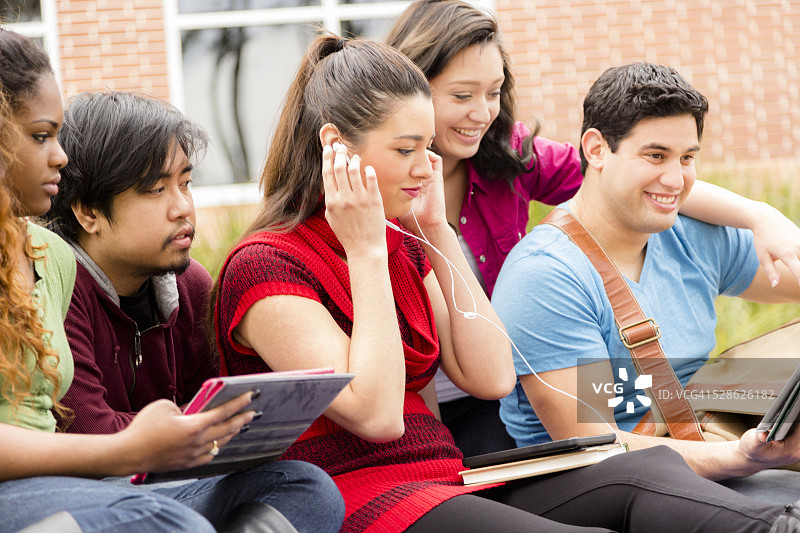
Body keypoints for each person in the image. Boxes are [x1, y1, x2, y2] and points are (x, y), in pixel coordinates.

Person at [212, 33, 800, 533]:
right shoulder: (267, 265)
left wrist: (436, 233)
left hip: (451, 476)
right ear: (336, 149)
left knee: (647, 473)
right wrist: (365, 251)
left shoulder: (404, 247)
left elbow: (492, 376)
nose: (427, 167)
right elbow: (377, 415)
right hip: (360, 493)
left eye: (428, 148)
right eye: (406, 149)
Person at [385, 0, 800, 457]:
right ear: (410, 92)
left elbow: (636, 180)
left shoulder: (509, 154)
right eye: (463, 96)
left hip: (502, 379)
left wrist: (760, 216)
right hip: (425, 397)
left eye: (494, 92)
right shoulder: (376, 190)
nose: (482, 113)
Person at [0, 28, 344, 533]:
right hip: (85, 480)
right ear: (89, 212)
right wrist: (161, 438)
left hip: (139, 479)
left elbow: (206, 408)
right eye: (157, 190)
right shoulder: (71, 278)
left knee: (306, 486)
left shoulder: (55, 261)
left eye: (186, 183)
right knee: (164, 519)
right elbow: (86, 429)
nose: (183, 207)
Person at [492, 61, 800, 504]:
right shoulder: (546, 276)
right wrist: (739, 457)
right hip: (602, 491)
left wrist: (768, 220)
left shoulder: (690, 235)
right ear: (596, 150)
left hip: (713, 449)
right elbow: (596, 446)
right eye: (656, 156)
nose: (676, 179)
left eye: (687, 158)